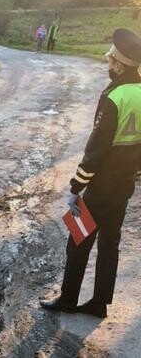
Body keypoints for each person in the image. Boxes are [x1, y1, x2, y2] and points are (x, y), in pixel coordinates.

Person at [40, 28, 141, 318]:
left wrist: (76, 187)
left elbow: (96, 148)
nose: (108, 65)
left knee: (78, 239)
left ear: (119, 64)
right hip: (124, 187)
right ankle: (99, 303)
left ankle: (68, 299)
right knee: (110, 244)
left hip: (99, 188)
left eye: (111, 61)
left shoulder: (113, 96)